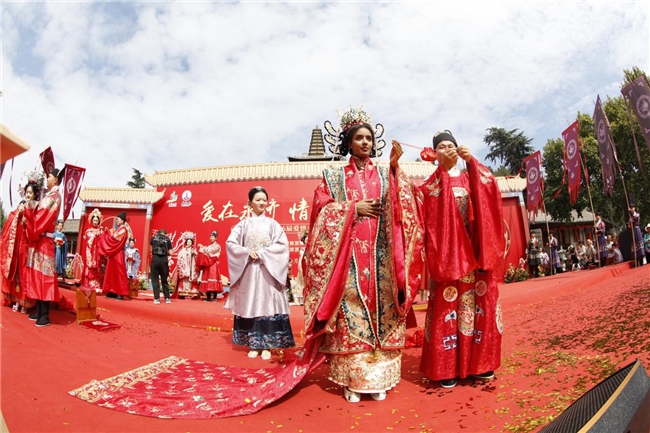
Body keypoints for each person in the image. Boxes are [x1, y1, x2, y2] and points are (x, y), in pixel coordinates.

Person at [304, 108, 425, 403]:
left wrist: (395, 171)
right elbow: (321, 210)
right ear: (349, 142)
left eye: (369, 138)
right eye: (359, 138)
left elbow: (408, 202)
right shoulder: (334, 176)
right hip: (349, 262)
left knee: (382, 314)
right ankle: (352, 381)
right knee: (351, 318)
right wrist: (351, 209)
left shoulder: (385, 172)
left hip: (383, 260)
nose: (365, 142)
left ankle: (379, 379)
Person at [418, 130, 504, 389]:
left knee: (480, 306)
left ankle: (481, 364)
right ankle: (446, 367)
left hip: (476, 255)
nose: (447, 149)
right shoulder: (431, 184)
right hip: (449, 258)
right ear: (434, 153)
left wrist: (472, 162)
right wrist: (444, 172)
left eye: (451, 145)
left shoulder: (471, 176)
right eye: (441, 147)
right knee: (448, 309)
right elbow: (425, 213)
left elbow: (490, 190)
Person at [225, 186, 295, 361]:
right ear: (250, 203)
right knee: (251, 304)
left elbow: (282, 246)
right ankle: (254, 344)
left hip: (268, 271)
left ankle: (268, 345)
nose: (262, 202)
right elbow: (231, 243)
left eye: (264, 199)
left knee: (267, 305)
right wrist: (246, 252)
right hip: (249, 270)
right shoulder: (243, 224)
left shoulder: (273, 224)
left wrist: (263, 253)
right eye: (258, 200)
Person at [24, 168, 64, 327]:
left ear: (56, 180)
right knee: (37, 275)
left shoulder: (54, 196)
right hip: (39, 240)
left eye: (49, 177)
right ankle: (39, 310)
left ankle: (45, 315)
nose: (47, 179)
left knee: (45, 277)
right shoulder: (48, 196)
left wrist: (29, 206)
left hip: (45, 241)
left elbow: (40, 214)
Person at [1, 182, 39, 314]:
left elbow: (36, 225)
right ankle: (17, 300)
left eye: (30, 193)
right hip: (18, 245)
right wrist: (18, 215)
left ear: (35, 195)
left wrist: (27, 219)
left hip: (28, 246)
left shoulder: (36, 208)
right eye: (27, 192)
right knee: (16, 272)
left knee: (25, 274)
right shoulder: (21, 206)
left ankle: (25, 302)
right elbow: (11, 218)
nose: (28, 195)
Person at [98, 211, 129, 300]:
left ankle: (120, 292)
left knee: (118, 273)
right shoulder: (119, 229)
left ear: (122, 221)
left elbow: (113, 239)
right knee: (112, 272)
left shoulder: (123, 229)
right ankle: (112, 291)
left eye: (118, 219)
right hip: (114, 254)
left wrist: (106, 235)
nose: (117, 221)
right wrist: (107, 233)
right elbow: (113, 237)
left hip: (118, 253)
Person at [81, 209, 105, 292]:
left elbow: (103, 241)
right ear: (91, 221)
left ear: (99, 221)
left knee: (97, 267)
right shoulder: (88, 231)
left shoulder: (101, 231)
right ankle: (88, 284)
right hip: (90, 253)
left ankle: (96, 285)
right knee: (90, 267)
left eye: (96, 220)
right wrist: (95, 236)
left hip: (98, 252)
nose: (95, 222)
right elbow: (89, 242)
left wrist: (101, 235)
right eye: (94, 220)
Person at [197, 231, 223, 302]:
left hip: (213, 264)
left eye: (212, 237)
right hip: (208, 264)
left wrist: (202, 247)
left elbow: (210, 251)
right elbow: (204, 252)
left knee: (213, 279)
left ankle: (214, 297)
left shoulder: (217, 246)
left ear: (216, 238)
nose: (211, 238)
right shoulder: (208, 246)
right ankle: (208, 297)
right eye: (210, 237)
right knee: (207, 278)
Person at [150, 229, 173, 304]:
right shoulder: (167, 240)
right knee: (164, 280)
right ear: (165, 234)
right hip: (164, 262)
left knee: (155, 280)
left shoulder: (153, 238)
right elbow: (171, 253)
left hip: (155, 261)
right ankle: (167, 298)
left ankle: (157, 299)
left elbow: (150, 250)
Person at [175, 233, 199, 299]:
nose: (189, 243)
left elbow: (197, 258)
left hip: (191, 267)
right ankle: (183, 292)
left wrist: (195, 254)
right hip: (185, 267)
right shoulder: (182, 250)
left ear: (192, 243)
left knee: (190, 280)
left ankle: (190, 293)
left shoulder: (193, 250)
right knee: (184, 279)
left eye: (190, 242)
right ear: (186, 242)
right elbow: (179, 258)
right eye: (188, 242)